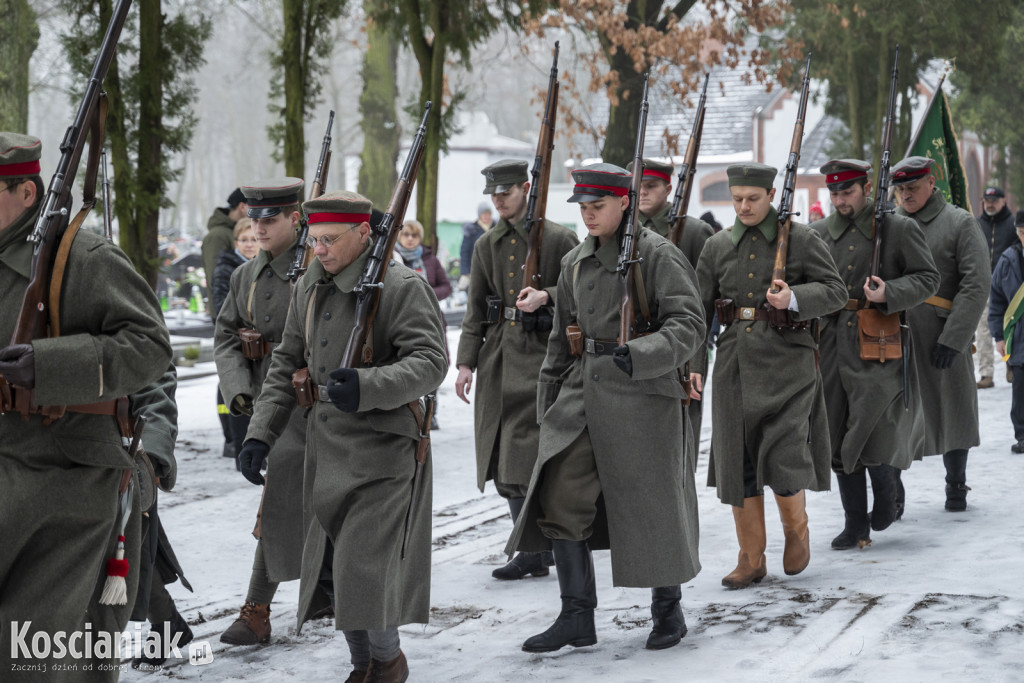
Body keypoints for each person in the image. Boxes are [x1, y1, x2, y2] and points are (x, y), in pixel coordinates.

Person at [238, 190, 447, 682]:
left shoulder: (400, 286)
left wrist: (370, 385)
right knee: (333, 569)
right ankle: (363, 666)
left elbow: (431, 362)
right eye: (314, 240)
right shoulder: (309, 289)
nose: (321, 250)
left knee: (364, 568)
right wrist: (259, 434)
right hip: (325, 449)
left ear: (363, 234)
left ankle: (388, 662)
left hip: (384, 450)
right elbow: (286, 364)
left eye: (330, 240)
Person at [505, 163, 704, 653]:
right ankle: (576, 615)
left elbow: (689, 324)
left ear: (624, 204)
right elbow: (560, 340)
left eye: (598, 207)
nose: (589, 216)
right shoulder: (575, 261)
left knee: (653, 504)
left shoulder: (659, 255)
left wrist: (641, 354)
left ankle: (667, 610)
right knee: (559, 498)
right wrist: (547, 402)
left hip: (644, 398)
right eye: (584, 208)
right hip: (582, 396)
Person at [0, 132, 172, 681]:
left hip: (67, 483)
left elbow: (150, 349)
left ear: (26, 194)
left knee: (37, 650)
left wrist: (49, 365)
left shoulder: (84, 258)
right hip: (10, 471)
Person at [694, 162, 846, 589]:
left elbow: (834, 292)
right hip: (734, 364)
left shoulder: (801, 239)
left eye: (753, 199)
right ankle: (751, 556)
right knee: (739, 462)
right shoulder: (717, 246)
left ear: (771, 194)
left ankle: (797, 530)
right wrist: (692, 365)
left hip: (788, 364)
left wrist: (795, 297)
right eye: (737, 198)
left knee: (783, 459)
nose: (743, 206)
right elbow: (696, 313)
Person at [455, 159, 578, 582]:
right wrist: (466, 362)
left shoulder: (560, 239)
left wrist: (547, 296)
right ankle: (529, 550)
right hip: (499, 358)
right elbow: (475, 311)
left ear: (526, 188)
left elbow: (585, 292)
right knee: (504, 456)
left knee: (536, 456)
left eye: (506, 192)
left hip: (546, 355)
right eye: (494, 194)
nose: (499, 200)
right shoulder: (486, 244)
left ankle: (549, 546)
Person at [810, 159, 939, 550]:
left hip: (879, 338)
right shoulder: (816, 234)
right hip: (831, 341)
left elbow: (928, 278)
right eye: (833, 193)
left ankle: (886, 492)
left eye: (846, 191)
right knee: (837, 428)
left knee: (875, 423)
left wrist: (890, 293)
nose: (839, 200)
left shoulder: (896, 228)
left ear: (866, 188)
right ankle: (855, 524)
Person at [214, 178, 308, 645]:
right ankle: (258, 610)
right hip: (267, 406)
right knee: (280, 504)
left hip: (314, 404)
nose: (259, 226)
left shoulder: (318, 266)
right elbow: (226, 336)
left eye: (269, 218)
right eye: (254, 218)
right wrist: (239, 396)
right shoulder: (244, 275)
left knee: (297, 504)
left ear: (295, 218)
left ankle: (262, 606)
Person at [894, 156, 990, 512]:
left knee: (954, 408)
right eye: (900, 189)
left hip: (941, 330)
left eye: (913, 187)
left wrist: (955, 337)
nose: (906, 195)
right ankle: (893, 492)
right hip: (896, 334)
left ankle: (956, 484)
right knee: (896, 414)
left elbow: (976, 284)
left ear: (930, 183)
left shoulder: (958, 222)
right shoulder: (890, 225)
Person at [627, 157, 714, 457]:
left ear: (668, 188)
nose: (644, 193)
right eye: (639, 187)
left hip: (681, 353)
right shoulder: (625, 233)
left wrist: (697, 364)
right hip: (636, 348)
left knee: (680, 448)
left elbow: (701, 305)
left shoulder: (694, 232)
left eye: (651, 186)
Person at [128, 365, 195, 670]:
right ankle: (168, 624)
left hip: (108, 452)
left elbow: (154, 373)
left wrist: (152, 454)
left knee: (128, 547)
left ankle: (166, 625)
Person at [204, 187, 248, 462]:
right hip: (227, 321)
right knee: (228, 382)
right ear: (242, 207)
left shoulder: (227, 229)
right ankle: (230, 438)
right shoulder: (219, 236)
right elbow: (215, 279)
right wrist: (224, 318)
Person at [989, 210, 1024, 453]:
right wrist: (999, 337)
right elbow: (998, 301)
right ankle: (1022, 435)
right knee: (1020, 391)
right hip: (1019, 338)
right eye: (1022, 233)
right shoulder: (1007, 260)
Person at [976, 186, 1016, 388]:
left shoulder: (1013, 224)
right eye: (987, 200)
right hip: (982, 284)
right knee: (982, 330)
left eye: (994, 200)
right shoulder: (976, 224)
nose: (990, 204)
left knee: (1009, 328)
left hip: (1009, 286)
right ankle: (986, 374)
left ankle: (1012, 365)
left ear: (1003, 201)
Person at [397, 219, 452, 303]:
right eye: (406, 234)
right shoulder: (392, 256)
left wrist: (427, 294)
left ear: (420, 238)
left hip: (429, 311)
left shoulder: (431, 259)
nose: (410, 238)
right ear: (399, 236)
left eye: (414, 235)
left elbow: (446, 287)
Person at [212, 217, 258, 317]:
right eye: (244, 240)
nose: (249, 245)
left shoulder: (267, 266)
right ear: (236, 244)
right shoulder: (224, 270)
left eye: (254, 239)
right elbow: (222, 307)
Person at [459, 201, 494, 290]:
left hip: (494, 271)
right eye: (484, 213)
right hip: (475, 270)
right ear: (479, 215)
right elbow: (464, 252)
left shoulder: (496, 228)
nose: (486, 216)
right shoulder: (472, 230)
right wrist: (465, 273)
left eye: (488, 213)